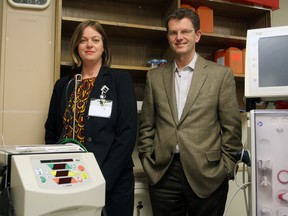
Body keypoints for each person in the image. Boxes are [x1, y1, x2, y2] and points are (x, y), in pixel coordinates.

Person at [138, 8, 242, 216]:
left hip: (208, 174)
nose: (179, 37)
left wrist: (226, 168)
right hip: (164, 173)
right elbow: (147, 126)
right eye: (173, 32)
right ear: (168, 36)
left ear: (197, 35)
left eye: (185, 31)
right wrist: (148, 161)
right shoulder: (155, 77)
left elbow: (231, 128)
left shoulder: (220, 75)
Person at [45, 20, 137, 216]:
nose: (89, 45)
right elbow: (51, 131)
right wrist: (57, 171)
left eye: (95, 40)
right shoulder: (64, 85)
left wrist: (102, 180)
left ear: (104, 46)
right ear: (76, 46)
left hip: (112, 179)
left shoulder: (119, 80)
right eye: (83, 40)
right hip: (70, 178)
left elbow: (127, 134)